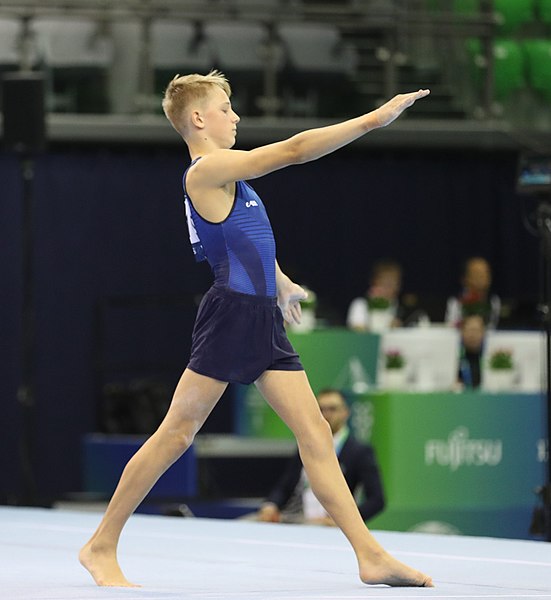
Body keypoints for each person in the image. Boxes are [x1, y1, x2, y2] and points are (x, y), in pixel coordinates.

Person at [79, 70, 433, 588]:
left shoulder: (229, 181)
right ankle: (100, 544)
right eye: (226, 108)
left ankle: (369, 555)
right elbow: (293, 150)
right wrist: (376, 119)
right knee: (176, 434)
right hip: (231, 316)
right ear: (198, 119)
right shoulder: (205, 172)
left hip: (260, 316)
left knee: (315, 431)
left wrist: (282, 283)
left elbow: (241, 244)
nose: (236, 116)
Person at [258, 389, 385, 525]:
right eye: (321, 409)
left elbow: (377, 500)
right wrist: (271, 505)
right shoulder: (305, 444)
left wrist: (346, 522)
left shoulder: (358, 451)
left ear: (345, 413)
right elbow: (286, 484)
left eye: (332, 409)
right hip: (294, 517)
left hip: (329, 522)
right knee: (247, 524)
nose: (326, 414)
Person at [347, 259, 404, 331]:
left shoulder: (399, 308)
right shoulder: (361, 304)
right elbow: (359, 332)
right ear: (374, 282)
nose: (391, 288)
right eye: (386, 283)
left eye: (395, 283)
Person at [445, 256, 501, 329]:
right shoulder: (455, 302)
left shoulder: (494, 301)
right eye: (478, 274)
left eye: (486, 273)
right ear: (465, 278)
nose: (483, 277)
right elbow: (450, 327)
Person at [457, 314, 486, 389]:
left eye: (476, 330)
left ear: (483, 333)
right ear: (462, 332)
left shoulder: (490, 358)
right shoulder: (455, 359)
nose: (472, 335)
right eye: (469, 330)